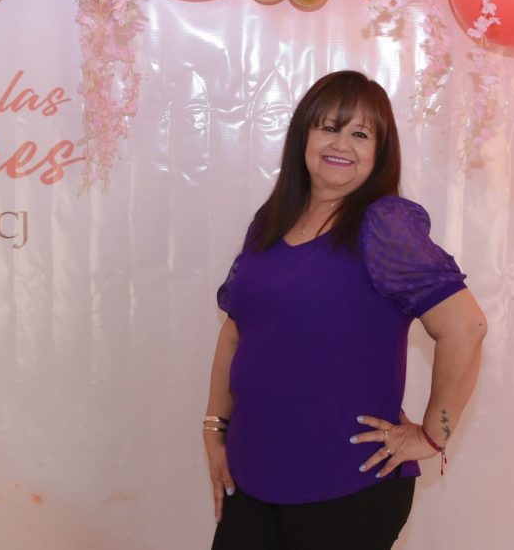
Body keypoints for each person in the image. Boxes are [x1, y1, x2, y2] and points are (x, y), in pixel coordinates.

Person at [203, 70, 486, 550]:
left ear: (380, 153)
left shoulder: (383, 224)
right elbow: (236, 331)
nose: (342, 144)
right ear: (304, 136)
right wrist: (215, 430)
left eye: (361, 134)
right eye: (329, 127)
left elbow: (466, 327)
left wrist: (430, 437)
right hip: (252, 470)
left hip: (346, 485)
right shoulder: (270, 222)